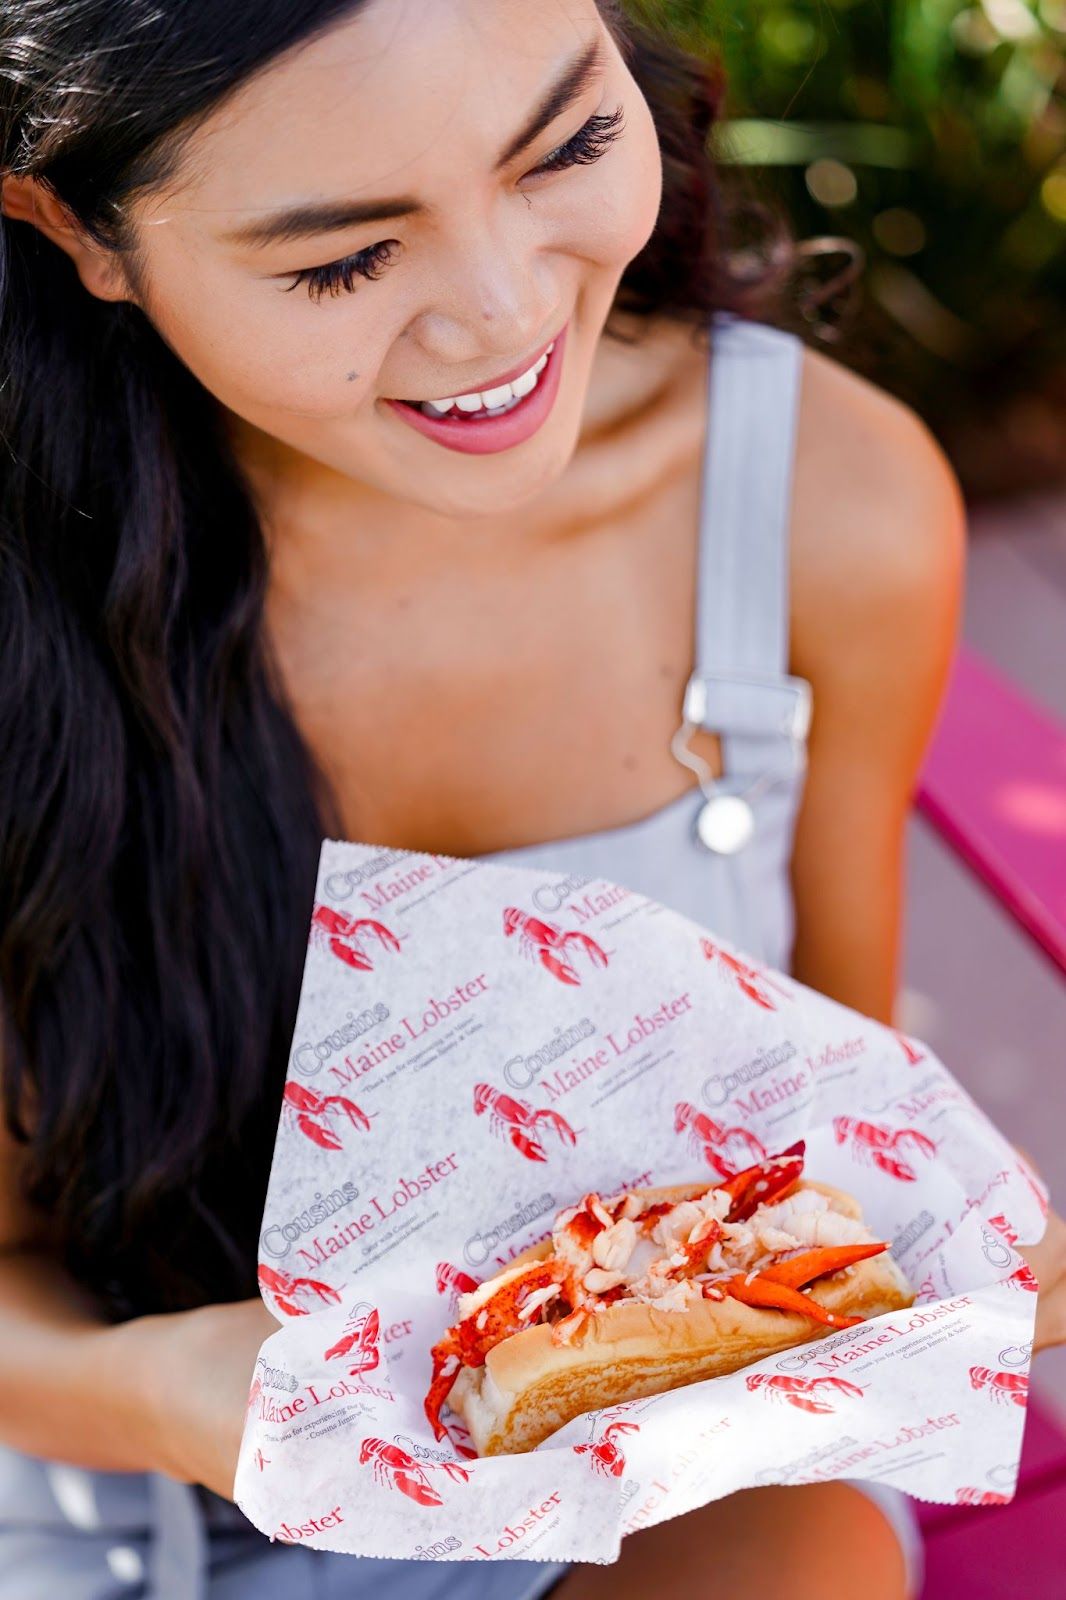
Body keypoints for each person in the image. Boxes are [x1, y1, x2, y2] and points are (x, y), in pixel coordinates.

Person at [1, 1, 1064, 1596]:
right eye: (344, 261)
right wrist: (169, 1393)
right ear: (77, 230)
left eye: (567, 144)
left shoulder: (813, 507)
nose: (501, 319)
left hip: (644, 1476)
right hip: (108, 1499)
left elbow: (825, 1123)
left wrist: (928, 1257)